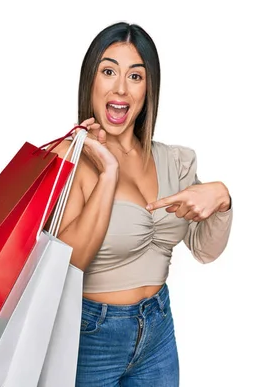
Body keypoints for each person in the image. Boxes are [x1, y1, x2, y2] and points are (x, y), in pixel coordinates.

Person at [49, 21, 233, 387]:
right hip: (90, 336)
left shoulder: (172, 160)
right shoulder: (70, 159)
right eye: (108, 71)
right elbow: (68, 263)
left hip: (158, 330)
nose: (120, 87)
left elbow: (205, 250)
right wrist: (107, 174)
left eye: (136, 76)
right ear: (91, 81)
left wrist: (222, 199)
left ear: (148, 89)